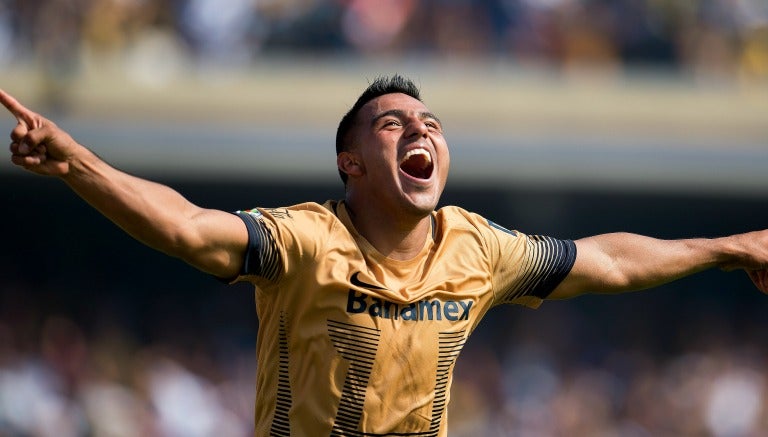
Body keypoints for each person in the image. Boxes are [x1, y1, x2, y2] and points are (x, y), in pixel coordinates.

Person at [3, 75, 767, 436]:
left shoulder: (478, 248)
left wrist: (730, 247)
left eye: (430, 123)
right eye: (393, 124)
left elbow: (611, 261)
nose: (420, 132)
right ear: (352, 163)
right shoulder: (305, 239)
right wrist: (76, 164)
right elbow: (186, 227)